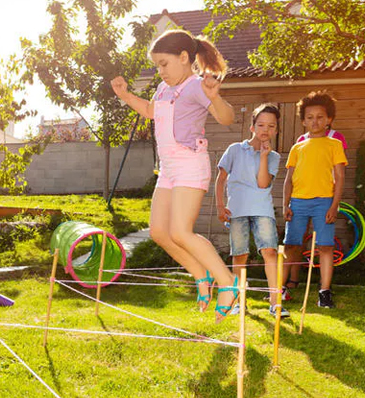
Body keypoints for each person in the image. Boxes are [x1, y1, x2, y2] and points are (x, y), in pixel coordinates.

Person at [111, 29, 239, 323]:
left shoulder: (196, 86)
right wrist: (125, 95)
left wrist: (215, 98)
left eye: (164, 64)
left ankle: (228, 283)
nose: (161, 70)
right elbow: (148, 110)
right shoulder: (163, 89)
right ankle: (201, 275)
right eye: (157, 65)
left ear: (184, 58)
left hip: (190, 164)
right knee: (159, 232)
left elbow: (227, 118)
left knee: (181, 231)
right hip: (168, 169)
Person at [215, 103, 288, 317]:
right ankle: (239, 302)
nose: (266, 130)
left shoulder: (274, 157)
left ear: (276, 130)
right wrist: (220, 206)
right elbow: (221, 180)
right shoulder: (235, 149)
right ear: (252, 126)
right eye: (261, 124)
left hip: (262, 209)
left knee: (270, 252)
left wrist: (264, 157)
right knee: (240, 255)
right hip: (236, 209)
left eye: (271, 126)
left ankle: (275, 303)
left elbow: (263, 184)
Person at [282, 91, 347, 309]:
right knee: (291, 245)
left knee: (325, 247)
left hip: (324, 202)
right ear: (303, 121)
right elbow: (288, 179)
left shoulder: (334, 145)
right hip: (298, 202)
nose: (315, 121)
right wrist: (285, 205)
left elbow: (339, 177)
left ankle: (324, 292)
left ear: (328, 120)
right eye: (310, 117)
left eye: (320, 117)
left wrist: (334, 205)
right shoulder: (297, 147)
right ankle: (280, 289)